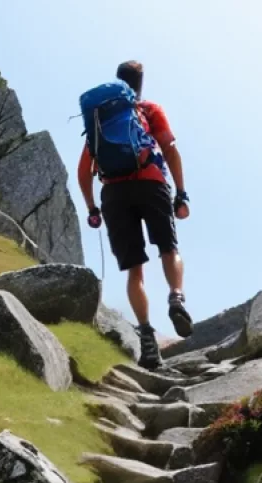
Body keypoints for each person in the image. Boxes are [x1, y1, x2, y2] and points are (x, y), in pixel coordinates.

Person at [78, 61, 193, 370]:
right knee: (168, 249)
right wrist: (181, 194)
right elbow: (170, 147)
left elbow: (84, 171)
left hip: (114, 193)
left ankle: (146, 337)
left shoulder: (99, 117)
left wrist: (92, 208)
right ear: (140, 84)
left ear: (118, 81)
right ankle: (176, 297)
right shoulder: (149, 109)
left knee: (134, 271)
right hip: (151, 182)